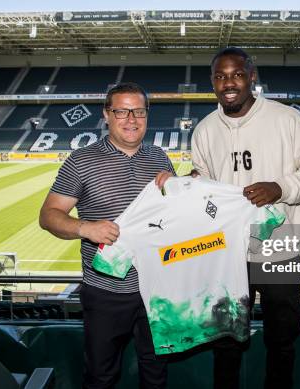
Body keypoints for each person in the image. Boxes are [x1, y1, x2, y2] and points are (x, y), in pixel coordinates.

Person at [191, 47, 300, 388]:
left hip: (279, 250)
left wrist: (280, 188)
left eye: (237, 74)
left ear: (251, 76)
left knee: (281, 340)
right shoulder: (205, 130)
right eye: (220, 76)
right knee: (225, 342)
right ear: (212, 82)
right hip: (226, 253)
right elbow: (204, 187)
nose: (229, 83)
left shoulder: (286, 119)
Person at [39, 82, 174, 389]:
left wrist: (183, 188)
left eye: (138, 111)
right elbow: (48, 216)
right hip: (105, 292)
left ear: (147, 115)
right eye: (122, 111)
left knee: (156, 374)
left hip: (156, 289)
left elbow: (173, 217)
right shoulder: (81, 161)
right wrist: (85, 228)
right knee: (101, 376)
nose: (131, 119)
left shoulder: (160, 158)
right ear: (107, 115)